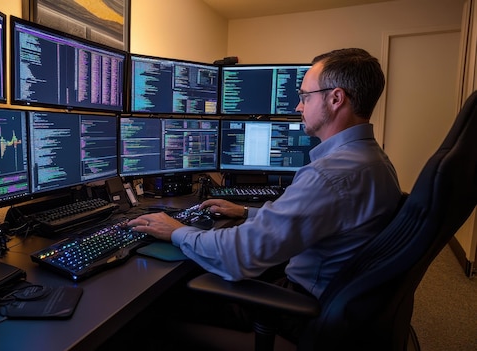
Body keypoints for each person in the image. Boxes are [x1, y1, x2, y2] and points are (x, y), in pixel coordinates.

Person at [127, 48, 403, 300]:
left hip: (299, 306)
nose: (298, 107)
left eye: (305, 97)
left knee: (169, 298)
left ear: (335, 98)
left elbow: (237, 256)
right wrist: (247, 212)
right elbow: (314, 219)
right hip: (337, 297)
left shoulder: (329, 175)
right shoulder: (374, 160)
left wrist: (176, 231)